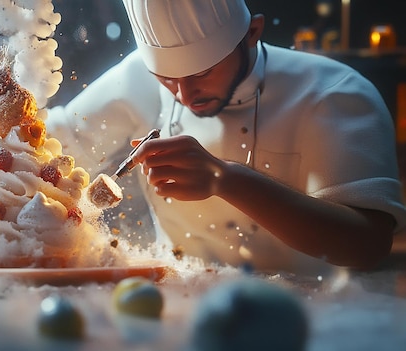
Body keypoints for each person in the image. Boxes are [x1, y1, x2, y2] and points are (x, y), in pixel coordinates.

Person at [46, 0, 406, 273]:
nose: (184, 96)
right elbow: (47, 146)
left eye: (203, 72)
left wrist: (227, 180)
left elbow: (368, 244)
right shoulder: (137, 77)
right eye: (167, 79)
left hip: (318, 314)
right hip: (179, 300)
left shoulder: (334, 95)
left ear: (252, 33)